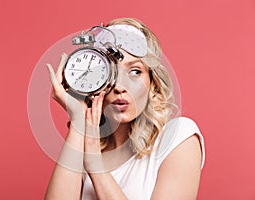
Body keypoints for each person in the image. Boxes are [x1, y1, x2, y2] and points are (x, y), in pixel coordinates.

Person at [45, 17, 205, 200]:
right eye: (110, 73)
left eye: (135, 71)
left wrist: (95, 167)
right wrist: (78, 120)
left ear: (152, 83)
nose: (120, 86)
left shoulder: (177, 138)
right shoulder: (84, 147)